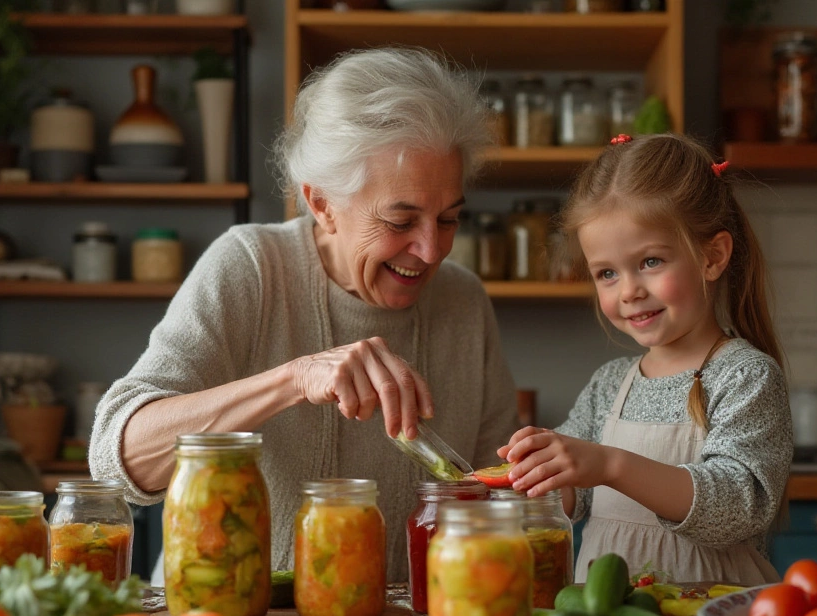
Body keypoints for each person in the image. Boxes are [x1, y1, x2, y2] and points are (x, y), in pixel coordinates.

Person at [89, 48, 519, 584]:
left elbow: (503, 500)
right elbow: (118, 458)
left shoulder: (464, 300)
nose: (431, 250)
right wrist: (295, 377)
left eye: (449, 219)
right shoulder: (250, 266)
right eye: (400, 219)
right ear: (321, 204)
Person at [500, 133, 791, 586]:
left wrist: (611, 465)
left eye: (651, 261)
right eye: (607, 273)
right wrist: (540, 478)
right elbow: (574, 500)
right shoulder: (609, 383)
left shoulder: (744, 376)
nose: (629, 291)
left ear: (712, 257)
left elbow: (739, 507)